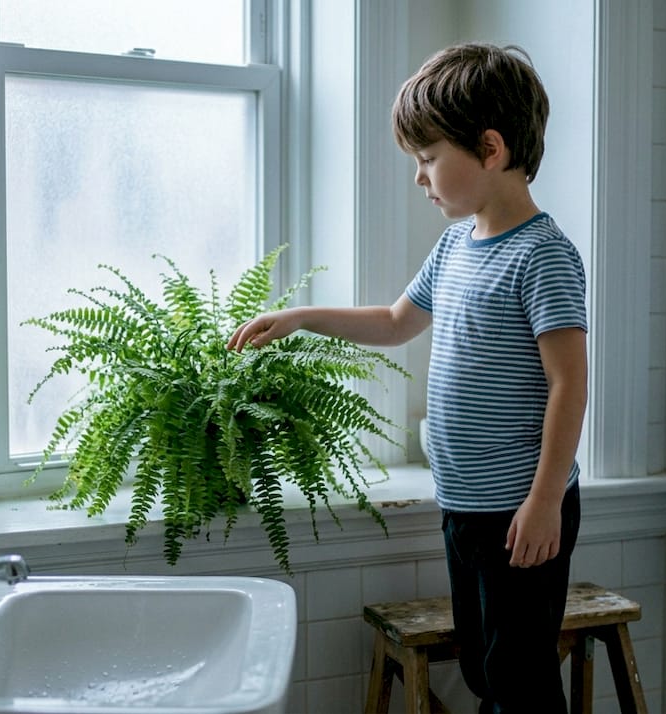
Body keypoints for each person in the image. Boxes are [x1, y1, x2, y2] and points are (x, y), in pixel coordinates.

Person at [227, 42, 587, 713]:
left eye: (427, 159)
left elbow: (569, 384)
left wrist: (543, 502)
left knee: (520, 675)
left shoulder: (543, 256)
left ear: (490, 148)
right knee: (485, 668)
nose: (419, 178)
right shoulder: (455, 245)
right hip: (466, 507)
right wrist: (302, 318)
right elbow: (395, 322)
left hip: (521, 510)